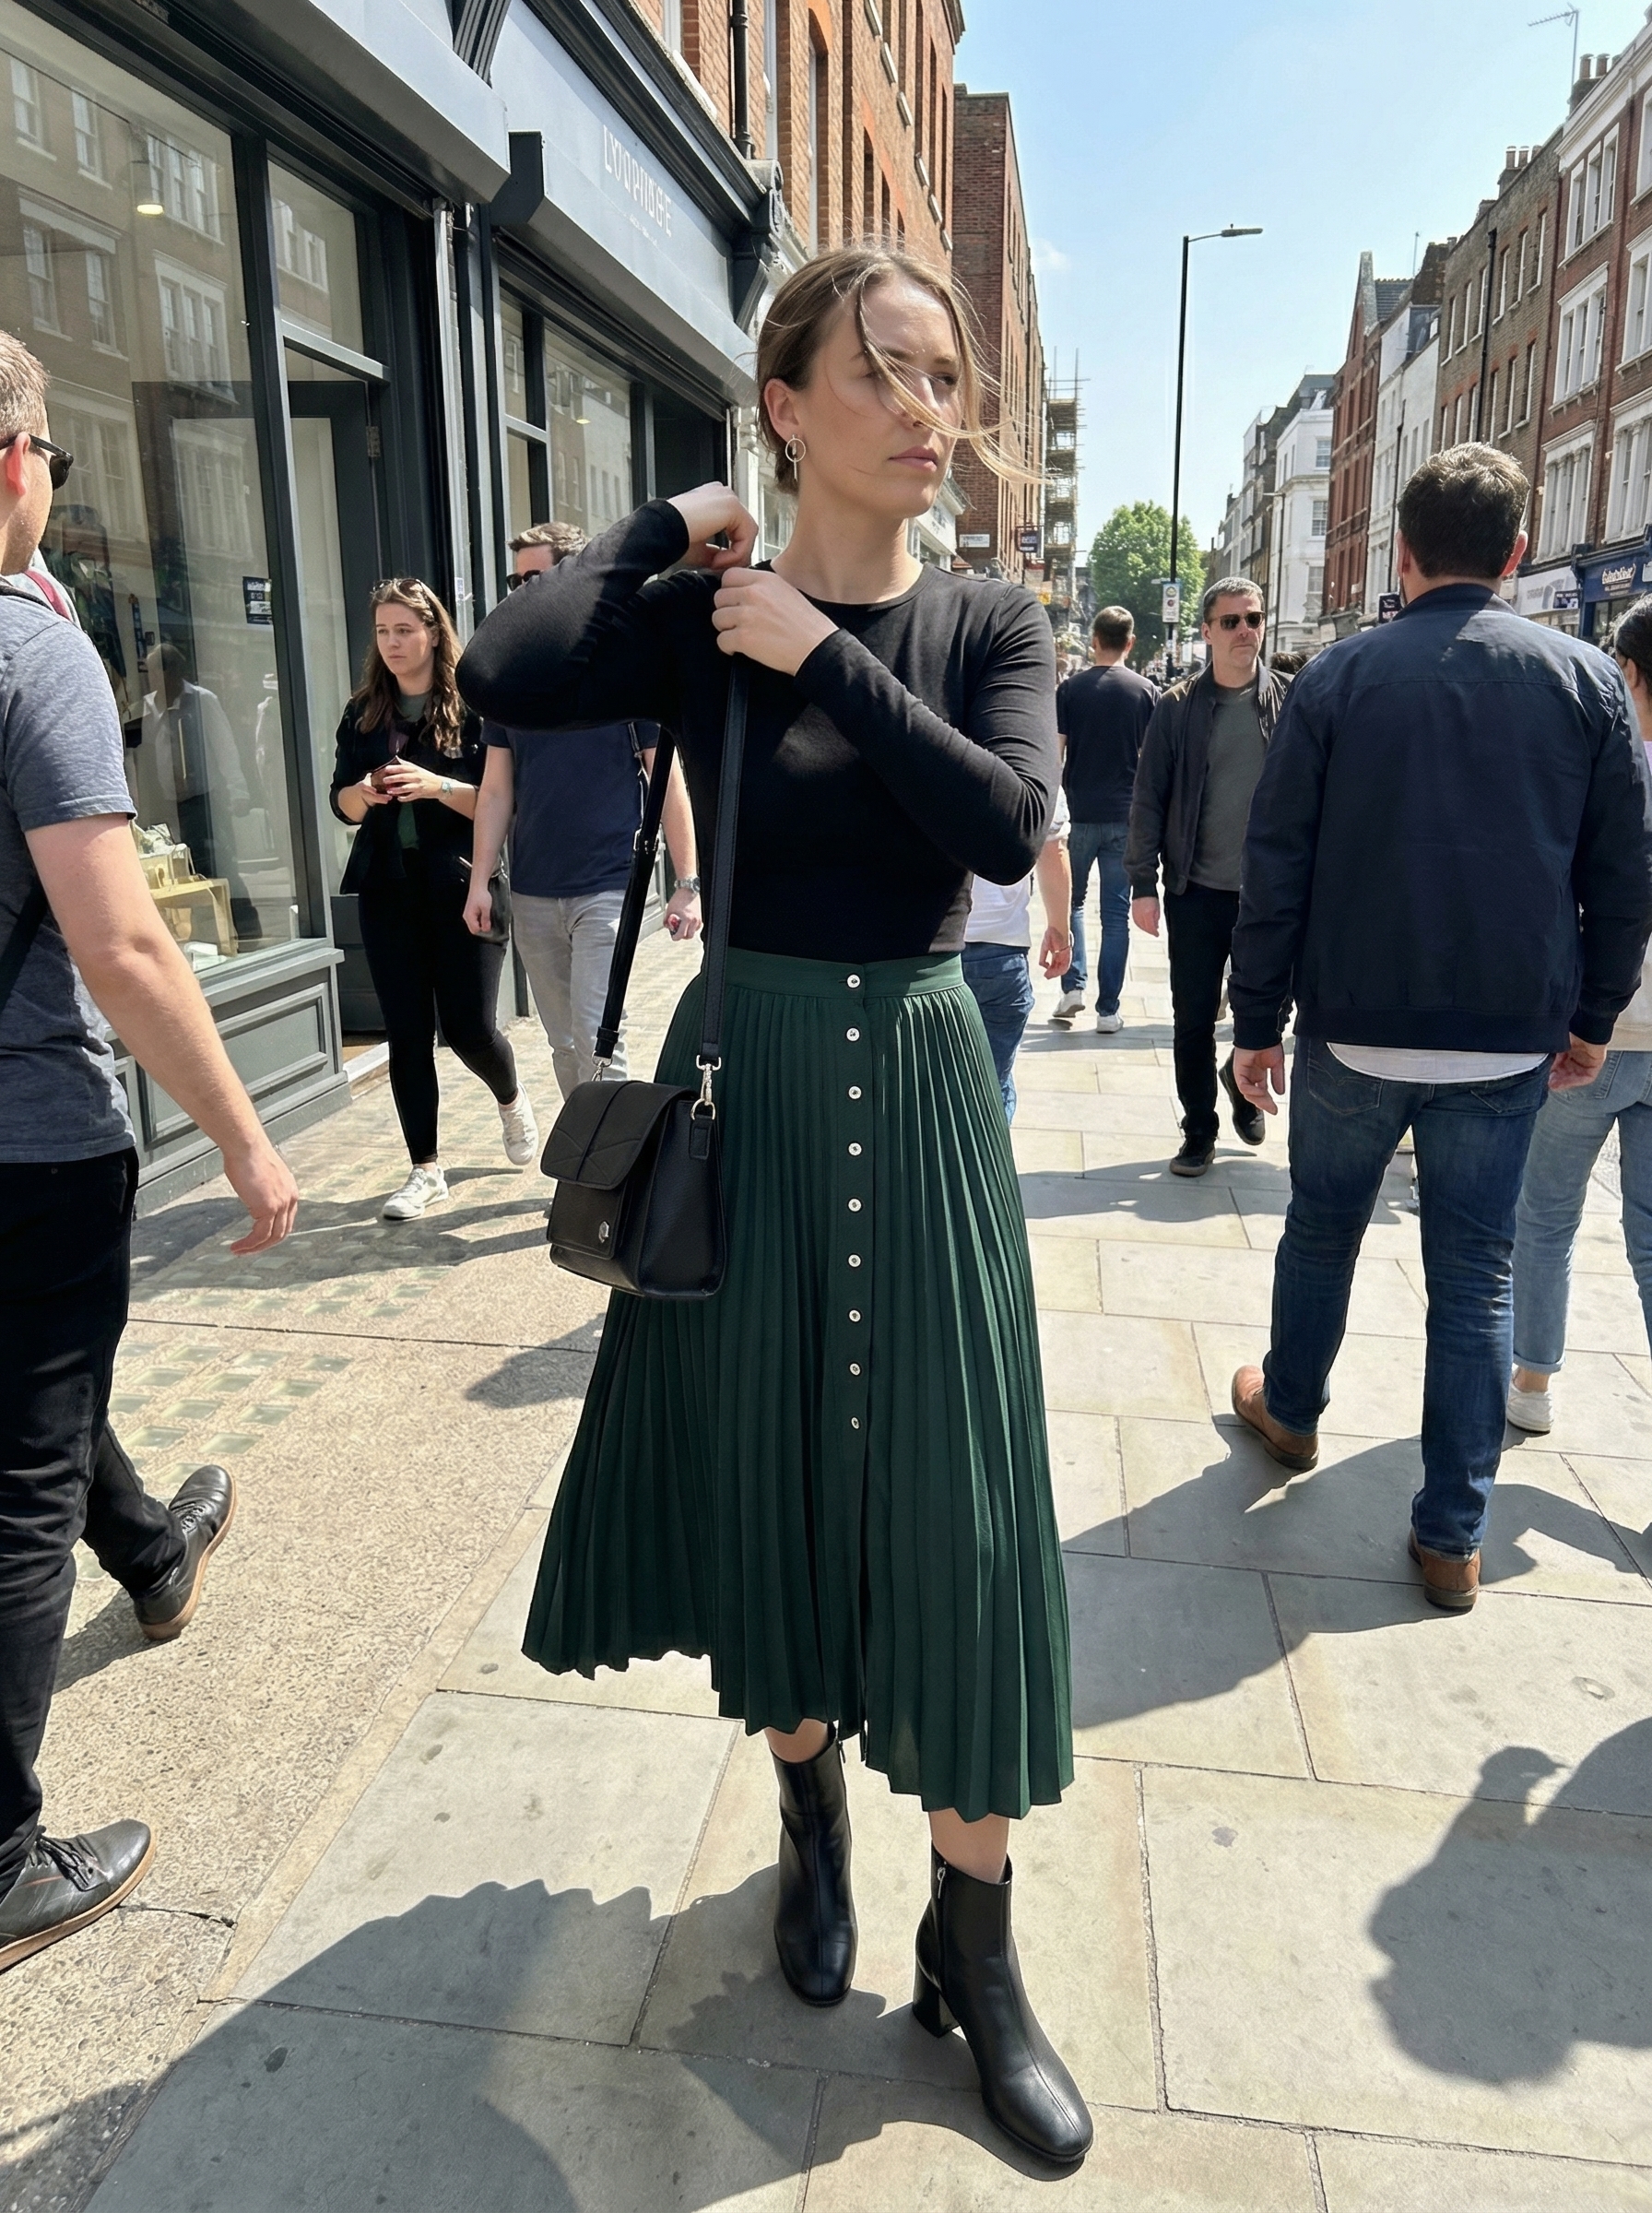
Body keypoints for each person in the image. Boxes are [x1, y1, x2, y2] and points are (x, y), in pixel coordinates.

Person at [459, 243, 1091, 2168]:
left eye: (944, 378)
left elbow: (1003, 825)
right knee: (780, 1482)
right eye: (882, 371)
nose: (925, 410)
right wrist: (679, 523)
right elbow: (500, 669)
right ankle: (810, 1821)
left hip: (921, 1088)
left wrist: (818, 653)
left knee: (960, 1519)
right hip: (751, 1089)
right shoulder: (697, 611)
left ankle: (974, 1941)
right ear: (789, 405)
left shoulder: (986, 618)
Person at [1225, 444, 1652, 1612]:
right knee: (1475, 1273)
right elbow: (1623, 875)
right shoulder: (1587, 681)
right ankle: (1452, 1533)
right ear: (1517, 553)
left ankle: (1290, 1411)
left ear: (1402, 553)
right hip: (1508, 1034)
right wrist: (1592, 1018)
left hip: (1354, 1024)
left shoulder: (1336, 677)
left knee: (1321, 1232)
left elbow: (1277, 863)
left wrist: (1254, 1022)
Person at [0, 325, 298, 1971]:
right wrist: (246, 1140)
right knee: (19, 1478)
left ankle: (155, 1553)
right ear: (17, 463)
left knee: (37, 1397)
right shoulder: (32, 653)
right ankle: (0, 1856)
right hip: (28, 1136)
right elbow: (121, 944)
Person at [465, 523, 702, 1096]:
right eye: (516, 581)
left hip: (608, 885)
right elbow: (495, 791)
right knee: (563, 1043)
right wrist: (479, 882)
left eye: (536, 578)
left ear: (571, 580)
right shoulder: (511, 678)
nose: (523, 592)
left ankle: (612, 1156)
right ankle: (586, 1147)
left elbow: (667, 778)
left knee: (599, 1038)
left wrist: (688, 883)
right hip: (533, 890)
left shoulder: (621, 668)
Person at [330, 579, 537, 1222]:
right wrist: (364, 792)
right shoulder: (364, 712)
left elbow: (500, 804)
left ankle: (510, 1097)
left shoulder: (474, 707)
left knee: (470, 1028)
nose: (392, 643)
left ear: (432, 632)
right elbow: (341, 803)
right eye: (382, 632)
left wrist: (435, 785)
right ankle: (425, 1169)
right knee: (407, 1034)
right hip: (387, 890)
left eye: (404, 630)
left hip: (463, 883)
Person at [1508, 594, 1652, 1433]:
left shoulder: (1610, 768)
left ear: (1626, 672)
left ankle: (1532, 1383)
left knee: (1546, 1216)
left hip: (1595, 1032)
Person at [1126, 577, 1290, 1174]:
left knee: (1268, 1013)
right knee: (1193, 1018)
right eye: (1231, 621)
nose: (1245, 630)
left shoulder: (1289, 702)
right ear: (1207, 631)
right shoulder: (1177, 707)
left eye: (1254, 618)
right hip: (1195, 891)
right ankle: (1199, 1129)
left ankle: (1240, 1080)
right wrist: (1142, 884)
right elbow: (1149, 796)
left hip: (1270, 897)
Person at [1049, 606, 1156, 1035]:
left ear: (1094, 640)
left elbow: (1055, 755)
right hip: (1125, 815)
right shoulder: (1145, 691)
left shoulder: (1070, 690)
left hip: (1078, 815)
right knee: (1115, 915)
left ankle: (1072, 986)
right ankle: (1108, 1010)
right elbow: (1153, 763)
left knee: (1072, 903)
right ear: (1130, 642)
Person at [962, 785, 1072, 1118]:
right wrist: (1060, 931)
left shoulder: (919, 755)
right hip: (1000, 950)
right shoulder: (1031, 766)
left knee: (921, 1094)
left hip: (925, 950)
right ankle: (988, 1150)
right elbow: (1053, 852)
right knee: (991, 1090)